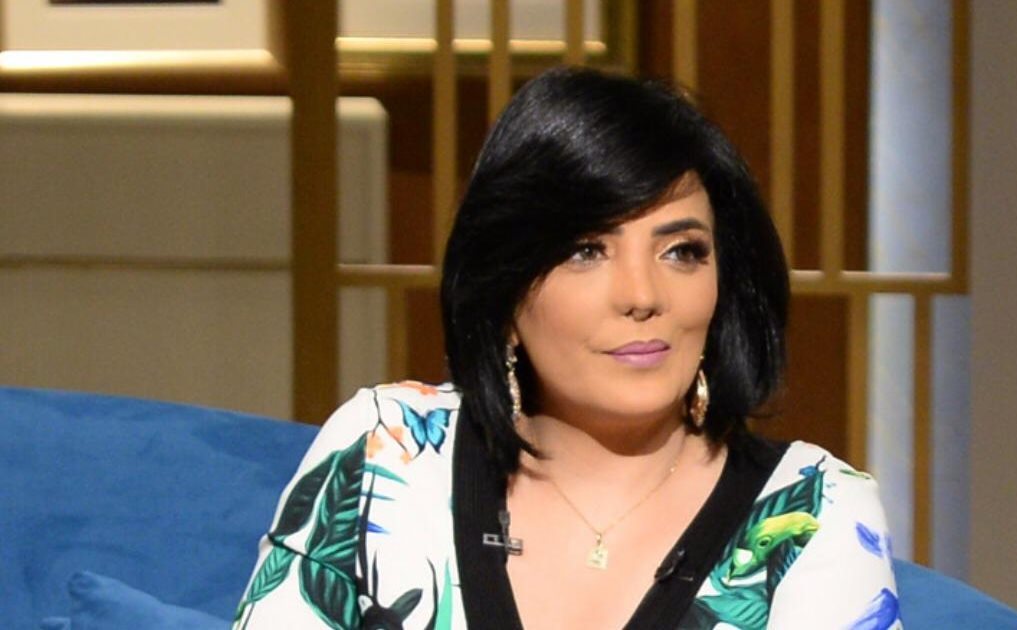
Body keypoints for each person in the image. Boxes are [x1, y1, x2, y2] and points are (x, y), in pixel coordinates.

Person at [233, 66, 899, 630]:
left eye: (681, 251)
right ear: (505, 286)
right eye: (586, 251)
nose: (642, 295)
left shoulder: (812, 513)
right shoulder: (387, 455)